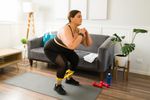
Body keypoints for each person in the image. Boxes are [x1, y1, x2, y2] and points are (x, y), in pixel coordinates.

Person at [44, 10, 93, 95]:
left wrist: (86, 33)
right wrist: (81, 35)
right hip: (52, 49)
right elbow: (72, 46)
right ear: (71, 18)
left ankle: (69, 79)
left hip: (65, 50)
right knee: (63, 64)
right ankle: (57, 86)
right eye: (79, 16)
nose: (81, 18)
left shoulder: (77, 31)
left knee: (75, 60)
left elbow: (88, 44)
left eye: (81, 16)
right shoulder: (65, 29)